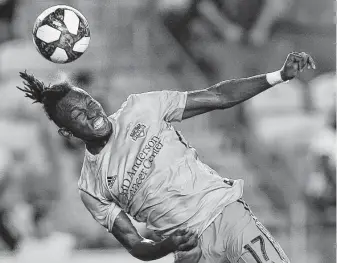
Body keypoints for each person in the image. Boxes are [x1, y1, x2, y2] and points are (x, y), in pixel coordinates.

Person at [17, 51, 315, 263]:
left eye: (88, 101)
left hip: (227, 215)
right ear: (67, 133)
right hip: (190, 251)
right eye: (77, 114)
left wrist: (278, 76)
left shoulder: (141, 108)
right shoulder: (91, 187)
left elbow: (219, 97)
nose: (91, 111)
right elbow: (135, 244)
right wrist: (166, 245)